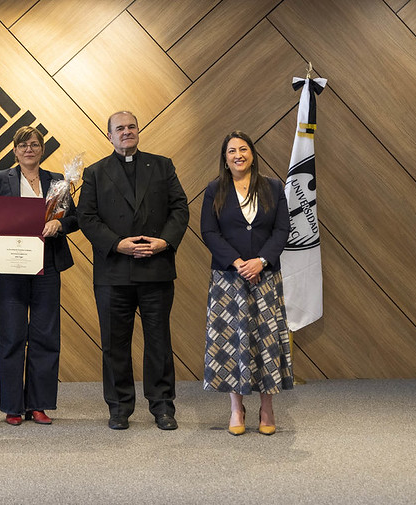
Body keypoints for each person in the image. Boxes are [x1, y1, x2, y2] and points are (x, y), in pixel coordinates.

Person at [77, 111, 189, 431]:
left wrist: (164, 242)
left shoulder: (162, 165)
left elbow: (180, 208)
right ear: (109, 136)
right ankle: (119, 406)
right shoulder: (95, 172)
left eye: (131, 127)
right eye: (120, 129)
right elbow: (87, 217)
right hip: (114, 271)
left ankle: (163, 406)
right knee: (114, 343)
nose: (127, 132)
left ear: (138, 131)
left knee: (158, 341)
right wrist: (117, 244)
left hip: (156, 267)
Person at [0, 125, 78, 425]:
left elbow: (73, 218)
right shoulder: (1, 178)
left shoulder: (58, 182)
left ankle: (38, 404)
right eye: (23, 145)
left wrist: (59, 225)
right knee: (12, 336)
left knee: (45, 336)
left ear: (42, 149)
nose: (29, 150)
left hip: (46, 266)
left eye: (34, 144)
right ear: (14, 150)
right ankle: (13, 405)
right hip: (10, 267)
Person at [199, 130, 293, 436]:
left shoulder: (273, 187)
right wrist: (238, 262)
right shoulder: (215, 189)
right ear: (224, 159)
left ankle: (267, 407)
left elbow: (281, 230)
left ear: (252, 154)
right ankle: (236, 409)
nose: (238, 155)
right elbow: (209, 232)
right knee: (232, 342)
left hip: (265, 276)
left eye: (243, 149)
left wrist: (261, 261)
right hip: (229, 278)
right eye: (231, 151)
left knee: (266, 341)